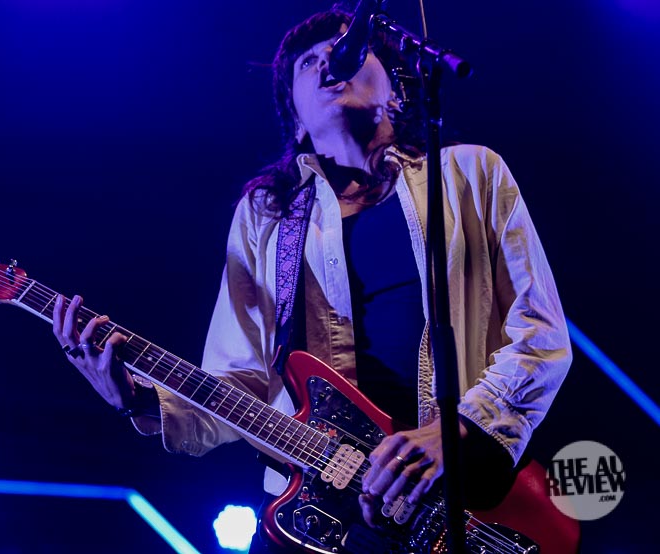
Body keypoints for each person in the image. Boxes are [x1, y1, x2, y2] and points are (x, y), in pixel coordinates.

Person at [52, 6, 572, 552]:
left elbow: (539, 334)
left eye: (346, 50)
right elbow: (239, 379)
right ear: (296, 119)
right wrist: (137, 400)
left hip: (457, 498)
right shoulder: (267, 214)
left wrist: (456, 431)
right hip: (320, 512)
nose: (329, 62)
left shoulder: (470, 174)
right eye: (307, 62)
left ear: (395, 91)